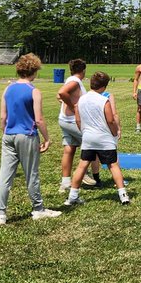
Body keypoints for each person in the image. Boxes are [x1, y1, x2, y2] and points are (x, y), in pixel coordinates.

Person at [0, 53, 61, 225]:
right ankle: (38, 209)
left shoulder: (8, 89)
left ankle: (1, 213)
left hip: (8, 135)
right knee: (31, 174)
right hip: (27, 136)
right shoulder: (34, 91)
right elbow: (38, 119)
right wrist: (47, 138)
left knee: (5, 175)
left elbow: (2, 117)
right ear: (35, 71)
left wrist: (6, 132)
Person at [64, 72, 131, 207]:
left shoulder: (80, 100)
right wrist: (114, 132)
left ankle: (72, 196)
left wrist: (84, 131)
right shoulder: (103, 100)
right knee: (113, 165)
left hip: (88, 138)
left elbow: (77, 119)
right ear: (104, 86)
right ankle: (123, 195)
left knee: (82, 165)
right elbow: (111, 120)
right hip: (104, 138)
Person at [57, 59, 98, 192]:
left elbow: (60, 95)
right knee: (92, 145)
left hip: (64, 120)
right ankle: (84, 173)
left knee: (69, 149)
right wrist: (73, 107)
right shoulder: (75, 81)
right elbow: (62, 93)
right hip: (72, 121)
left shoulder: (70, 79)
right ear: (83, 70)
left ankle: (65, 182)